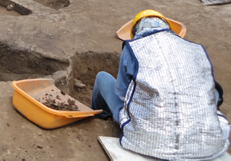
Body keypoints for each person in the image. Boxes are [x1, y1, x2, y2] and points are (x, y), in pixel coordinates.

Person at [91, 10, 229, 159]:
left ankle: (102, 119)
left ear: (135, 31)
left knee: (102, 78)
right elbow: (213, 92)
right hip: (207, 147)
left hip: (148, 143)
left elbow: (122, 94)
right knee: (211, 92)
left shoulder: (132, 47)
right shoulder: (196, 49)